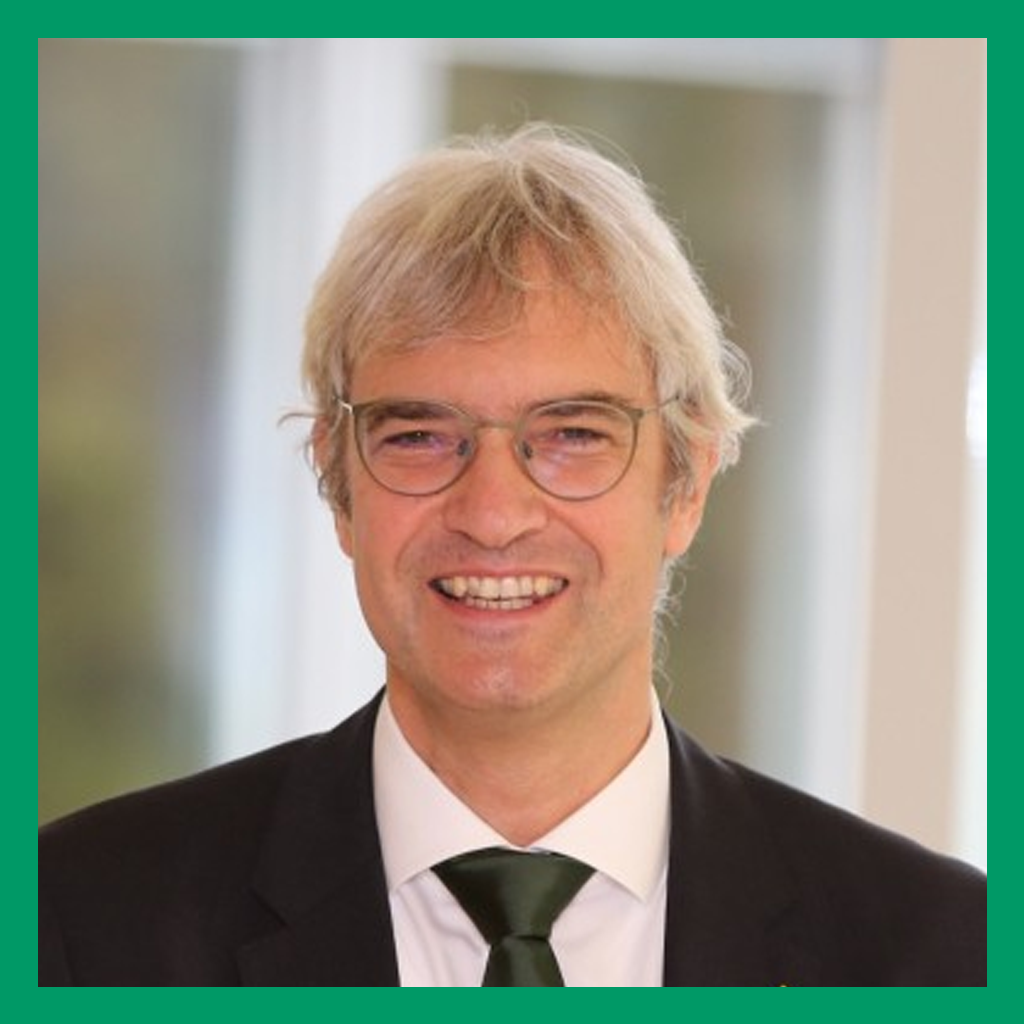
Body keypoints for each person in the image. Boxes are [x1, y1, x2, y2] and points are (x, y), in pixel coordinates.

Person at [39, 123, 986, 987]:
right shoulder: (75, 926)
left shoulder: (942, 951)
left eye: (573, 433)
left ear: (687, 482)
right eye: (419, 436)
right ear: (338, 484)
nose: (492, 514)